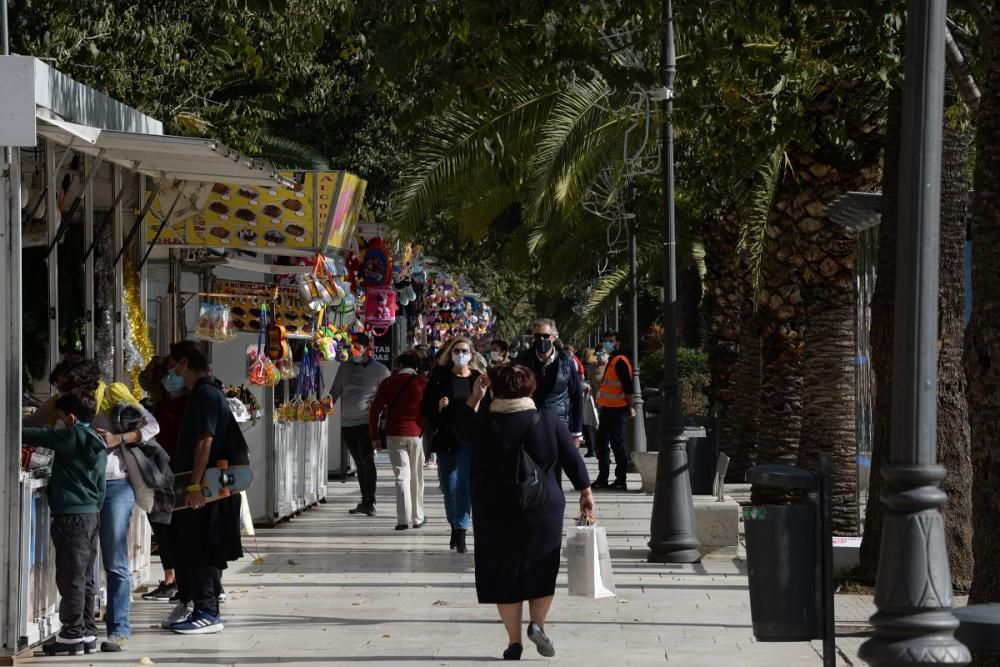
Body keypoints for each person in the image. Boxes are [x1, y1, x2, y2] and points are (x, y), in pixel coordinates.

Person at [453, 364, 594, 660]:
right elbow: (572, 459)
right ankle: (537, 624)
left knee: (503, 573)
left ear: (495, 389)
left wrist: (475, 397)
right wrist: (586, 491)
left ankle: (514, 642)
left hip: (494, 510)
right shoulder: (548, 420)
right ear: (530, 388)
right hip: (542, 507)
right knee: (542, 567)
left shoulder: (482, 422)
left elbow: (458, 425)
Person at [26, 357, 160, 652]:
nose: (59, 392)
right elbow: (28, 425)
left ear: (80, 382)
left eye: (64, 386)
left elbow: (152, 425)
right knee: (83, 566)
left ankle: (118, 628)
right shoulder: (63, 403)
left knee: (113, 561)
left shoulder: (113, 395)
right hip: (84, 492)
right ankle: (85, 629)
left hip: (114, 485)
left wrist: (118, 437)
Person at [164, 341, 242, 635]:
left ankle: (208, 611)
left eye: (173, 364)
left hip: (207, 487)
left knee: (202, 547)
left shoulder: (207, 395)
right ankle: (200, 607)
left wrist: (195, 485)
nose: (171, 371)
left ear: (184, 363)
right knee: (192, 545)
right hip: (203, 486)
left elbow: (204, 441)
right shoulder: (199, 394)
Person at [23, 392, 108, 656]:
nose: (55, 423)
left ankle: (72, 635)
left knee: (70, 575)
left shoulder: (70, 435)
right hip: (91, 514)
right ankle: (87, 631)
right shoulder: (97, 438)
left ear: (70, 417)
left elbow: (33, 435)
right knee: (85, 576)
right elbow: (102, 486)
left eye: (58, 418)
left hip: (70, 516)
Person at [420, 336, 484, 553]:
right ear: (450, 353)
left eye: (464, 351)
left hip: (468, 439)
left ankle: (461, 530)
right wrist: (438, 406)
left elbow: (486, 408)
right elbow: (424, 407)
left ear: (472, 354)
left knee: (465, 485)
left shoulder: (477, 379)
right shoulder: (439, 376)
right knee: (449, 487)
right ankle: (453, 524)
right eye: (456, 351)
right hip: (446, 436)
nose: (460, 355)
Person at [140, 357, 188, 602]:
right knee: (162, 527)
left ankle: (173, 579)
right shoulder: (151, 405)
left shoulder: (167, 407)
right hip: (159, 473)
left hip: (165, 474)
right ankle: (172, 577)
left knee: (165, 527)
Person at [330, 333, 391, 516]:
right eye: (351, 346)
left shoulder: (381, 371)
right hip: (347, 423)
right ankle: (365, 501)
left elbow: (387, 398)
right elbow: (336, 390)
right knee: (358, 462)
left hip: (366, 423)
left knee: (367, 461)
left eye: (357, 346)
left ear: (367, 348)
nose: (353, 349)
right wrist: (326, 403)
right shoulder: (345, 366)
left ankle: (369, 501)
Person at [368, 351, 429, 530]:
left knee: (402, 476)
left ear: (399, 365)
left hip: (394, 434)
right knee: (417, 476)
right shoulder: (423, 383)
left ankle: (402, 519)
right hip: (416, 433)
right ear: (417, 366)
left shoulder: (388, 382)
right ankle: (418, 518)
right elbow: (429, 409)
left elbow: (374, 411)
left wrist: (375, 437)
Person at [514, 319, 584, 447]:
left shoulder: (566, 361)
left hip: (559, 424)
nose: (541, 339)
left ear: (553, 337)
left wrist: (577, 432)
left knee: (556, 465)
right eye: (537, 336)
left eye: (545, 336)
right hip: (530, 423)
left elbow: (577, 396)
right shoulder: (523, 359)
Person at [593, 331, 636, 490]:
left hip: (618, 409)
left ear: (618, 343)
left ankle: (620, 480)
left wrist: (631, 406)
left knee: (617, 444)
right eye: (604, 341)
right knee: (601, 443)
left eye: (610, 341)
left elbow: (628, 387)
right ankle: (602, 478)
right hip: (608, 408)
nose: (606, 344)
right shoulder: (613, 360)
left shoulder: (620, 361)